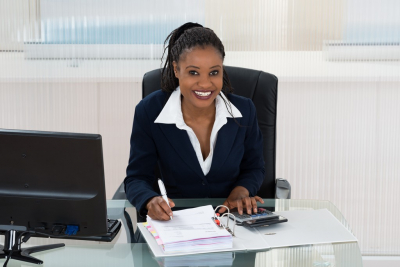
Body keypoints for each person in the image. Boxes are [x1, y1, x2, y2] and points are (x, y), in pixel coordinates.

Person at [124, 22, 265, 221]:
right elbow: (136, 177)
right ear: (176, 69)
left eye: (214, 72)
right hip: (175, 226)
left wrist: (241, 191)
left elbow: (255, 167)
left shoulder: (245, 110)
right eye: (193, 72)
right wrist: (149, 200)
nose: (205, 83)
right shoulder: (149, 111)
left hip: (232, 223)